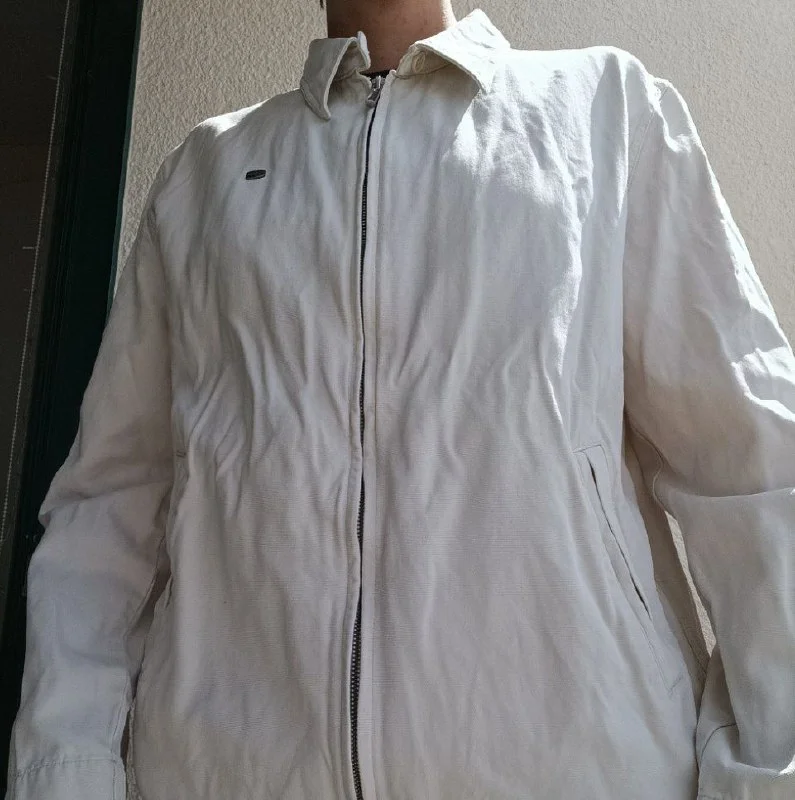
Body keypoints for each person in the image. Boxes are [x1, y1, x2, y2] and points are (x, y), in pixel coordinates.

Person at [5, 0, 795, 797]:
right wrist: (66, 775)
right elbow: (107, 515)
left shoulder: (601, 110)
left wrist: (767, 772)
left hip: (582, 769)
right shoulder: (206, 171)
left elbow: (751, 468)